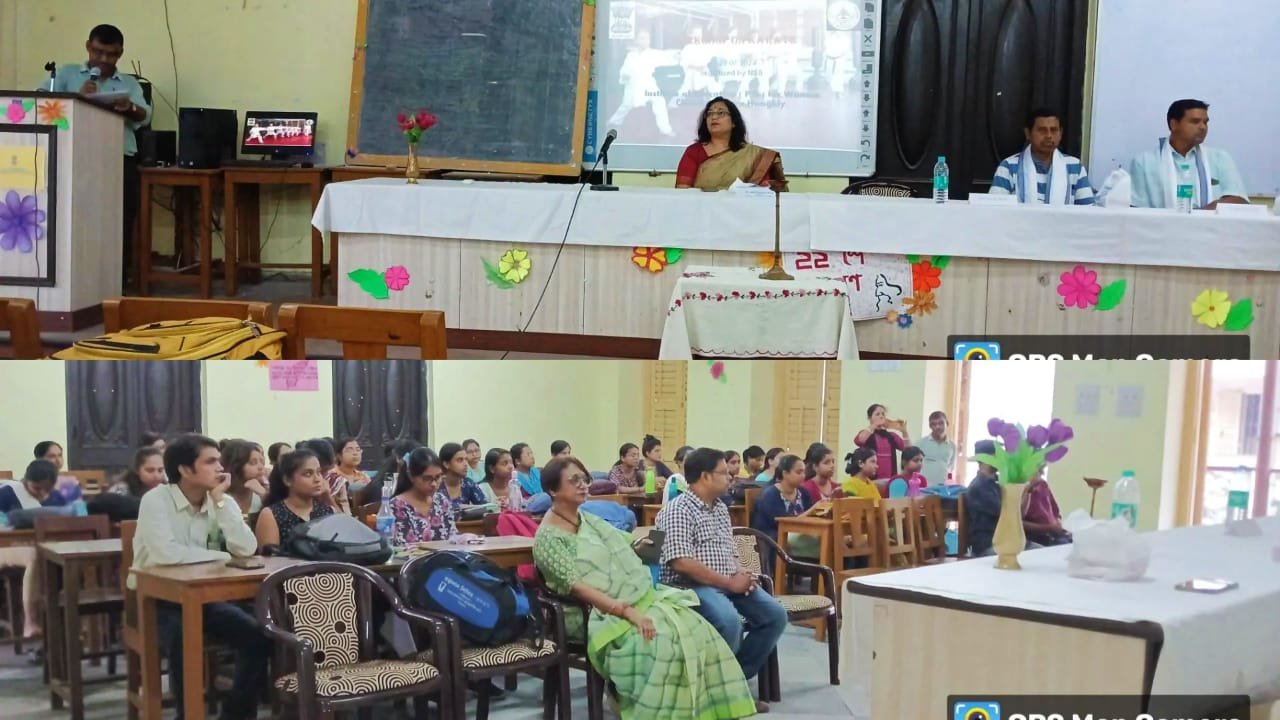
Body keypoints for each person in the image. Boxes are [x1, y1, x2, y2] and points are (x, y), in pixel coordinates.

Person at [534, 456, 759, 720]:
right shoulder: (548, 538)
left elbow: (625, 546)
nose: (583, 485)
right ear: (552, 490)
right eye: (574, 481)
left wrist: (642, 549)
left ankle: (697, 709)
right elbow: (580, 588)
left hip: (633, 597)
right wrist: (627, 612)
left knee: (696, 630)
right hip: (592, 613)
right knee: (660, 642)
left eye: (585, 479)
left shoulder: (588, 520)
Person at [130, 434, 268, 720]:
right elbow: (165, 555)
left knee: (257, 635)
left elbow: (247, 548)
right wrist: (222, 557)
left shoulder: (220, 499)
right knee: (183, 637)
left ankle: (235, 715)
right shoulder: (156, 500)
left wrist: (220, 504)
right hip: (156, 599)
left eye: (219, 460)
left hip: (205, 597)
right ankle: (188, 714)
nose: (221, 468)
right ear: (184, 469)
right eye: (211, 461)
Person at [658, 448, 787, 696]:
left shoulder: (719, 508)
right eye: (724, 472)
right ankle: (722, 691)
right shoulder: (678, 510)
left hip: (727, 581)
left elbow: (729, 552)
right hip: (689, 586)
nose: (731, 477)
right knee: (728, 621)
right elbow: (681, 562)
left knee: (774, 616)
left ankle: (731, 683)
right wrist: (729, 583)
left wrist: (742, 574)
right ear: (705, 476)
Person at [42, 25, 152, 286]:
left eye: (111, 55)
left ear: (120, 54)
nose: (103, 60)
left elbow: (145, 115)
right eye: (98, 52)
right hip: (70, 157)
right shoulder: (66, 74)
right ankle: (73, 280)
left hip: (118, 158)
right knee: (73, 220)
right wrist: (74, 98)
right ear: (88, 46)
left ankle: (116, 281)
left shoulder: (128, 83)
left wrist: (130, 107)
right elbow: (40, 106)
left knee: (120, 221)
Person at [1129, 99, 1249, 210]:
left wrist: (1199, 218)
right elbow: (1137, 208)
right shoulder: (1144, 162)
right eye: (1195, 122)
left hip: (1211, 230)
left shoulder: (1220, 158)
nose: (1203, 127)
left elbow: (1238, 199)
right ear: (1174, 125)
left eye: (1205, 122)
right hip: (1162, 230)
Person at [675, 97, 787, 192]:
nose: (713, 117)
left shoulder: (756, 156)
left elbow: (766, 192)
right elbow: (682, 193)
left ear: (733, 122)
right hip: (702, 213)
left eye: (720, 113)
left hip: (745, 214)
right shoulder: (694, 152)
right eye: (709, 114)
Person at [989, 108, 1095, 205]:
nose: (1049, 136)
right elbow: (995, 209)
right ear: (1028, 133)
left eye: (1053, 130)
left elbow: (1088, 211)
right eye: (1042, 130)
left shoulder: (1075, 167)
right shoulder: (1008, 167)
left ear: (1060, 133)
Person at [254, 449, 334, 550]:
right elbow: (271, 559)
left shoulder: (328, 511)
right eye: (308, 474)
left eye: (318, 472)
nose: (317, 479)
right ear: (288, 480)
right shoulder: (271, 514)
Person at [607, 30, 675, 138]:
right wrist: (625, 76)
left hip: (649, 85)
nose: (644, 41)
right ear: (637, 40)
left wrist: (676, 56)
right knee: (626, 105)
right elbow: (625, 71)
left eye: (646, 38)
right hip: (633, 85)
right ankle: (614, 122)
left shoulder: (654, 54)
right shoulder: (631, 55)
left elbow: (669, 58)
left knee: (659, 102)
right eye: (642, 38)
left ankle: (665, 130)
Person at [390, 447, 456, 545]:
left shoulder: (441, 501)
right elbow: (401, 547)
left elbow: (452, 536)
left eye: (438, 477)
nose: (434, 484)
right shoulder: (397, 506)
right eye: (427, 478)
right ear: (411, 476)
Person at [751, 454, 811, 542]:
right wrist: (813, 509)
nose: (803, 476)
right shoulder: (771, 495)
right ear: (785, 473)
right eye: (798, 472)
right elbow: (785, 523)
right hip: (772, 539)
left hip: (798, 533)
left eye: (804, 472)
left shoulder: (803, 492)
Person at [964, 440, 1002, 557]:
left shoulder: (998, 482)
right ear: (986, 458)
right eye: (998, 455)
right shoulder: (979, 487)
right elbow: (1005, 512)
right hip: (987, 544)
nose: (1002, 459)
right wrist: (1027, 487)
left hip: (1003, 540)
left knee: (1038, 552)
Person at [854, 404, 908, 480]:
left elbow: (907, 449)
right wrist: (874, 425)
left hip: (889, 478)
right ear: (869, 418)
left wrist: (904, 432)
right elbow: (860, 440)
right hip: (871, 479)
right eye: (877, 414)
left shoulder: (891, 435)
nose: (881, 416)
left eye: (883, 414)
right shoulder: (867, 433)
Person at [1022, 465, 1072, 547]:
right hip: (1035, 537)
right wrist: (1048, 528)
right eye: (1038, 470)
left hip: (1054, 534)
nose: (1042, 473)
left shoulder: (1042, 485)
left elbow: (1056, 513)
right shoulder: (1015, 489)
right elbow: (1017, 523)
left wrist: (1058, 525)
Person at [295, 438, 344, 515]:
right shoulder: (292, 487)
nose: (318, 477)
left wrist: (327, 498)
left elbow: (344, 521)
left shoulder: (336, 481)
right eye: (309, 473)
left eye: (325, 471)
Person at [219, 440, 268, 516]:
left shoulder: (264, 491)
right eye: (253, 463)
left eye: (262, 462)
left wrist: (265, 496)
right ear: (235, 466)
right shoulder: (219, 493)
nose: (261, 467)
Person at [437, 442, 487, 513]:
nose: (466, 464)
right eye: (460, 460)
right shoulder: (436, 485)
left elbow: (484, 508)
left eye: (466, 459)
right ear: (446, 464)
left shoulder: (468, 483)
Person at [330, 437, 370, 513]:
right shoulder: (333, 477)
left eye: (358, 450)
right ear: (339, 456)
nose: (355, 453)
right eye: (349, 450)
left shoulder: (364, 476)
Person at [918, 411, 956, 487]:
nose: (937, 427)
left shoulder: (952, 446)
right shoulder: (921, 443)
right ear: (930, 426)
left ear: (947, 424)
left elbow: (951, 466)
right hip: (924, 488)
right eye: (934, 424)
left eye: (941, 423)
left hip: (943, 488)